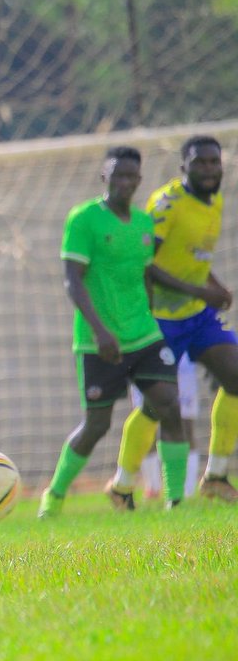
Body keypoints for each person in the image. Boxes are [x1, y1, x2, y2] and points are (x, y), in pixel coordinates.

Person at [39, 146, 185, 517]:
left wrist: (153, 318)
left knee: (168, 403)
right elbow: (73, 281)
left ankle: (176, 500)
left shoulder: (143, 224)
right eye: (117, 174)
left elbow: (145, 276)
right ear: (104, 176)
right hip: (97, 340)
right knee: (97, 424)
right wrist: (101, 331)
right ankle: (54, 497)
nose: (124, 182)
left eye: (131, 176)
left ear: (138, 180)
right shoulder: (84, 219)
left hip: (143, 333)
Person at [115, 135, 238, 504]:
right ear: (183, 166)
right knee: (158, 406)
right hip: (160, 319)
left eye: (213, 162)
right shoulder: (166, 204)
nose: (207, 169)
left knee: (235, 377)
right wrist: (201, 292)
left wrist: (214, 286)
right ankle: (122, 486)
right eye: (199, 162)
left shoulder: (213, 201)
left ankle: (215, 476)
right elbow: (146, 264)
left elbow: (191, 260)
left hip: (195, 317)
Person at [126, 356, 201, 500]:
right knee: (147, 424)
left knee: (184, 425)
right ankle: (153, 487)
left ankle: (188, 490)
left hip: (180, 360)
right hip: (147, 355)